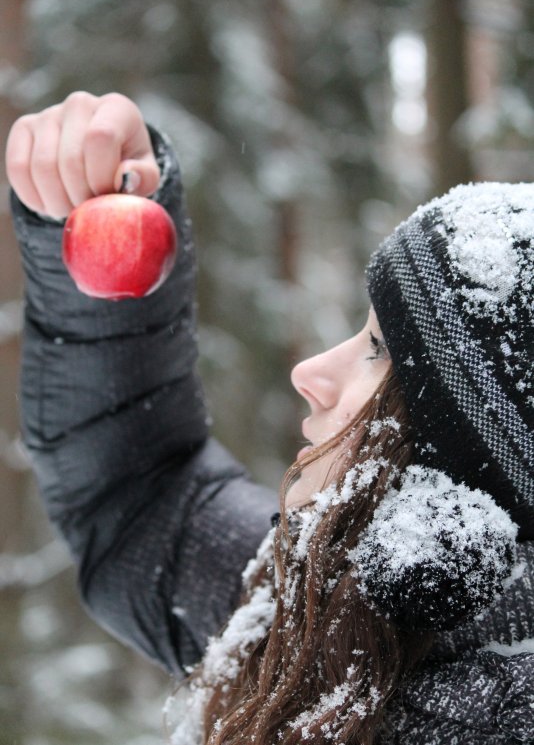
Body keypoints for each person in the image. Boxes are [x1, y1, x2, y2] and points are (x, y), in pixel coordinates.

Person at [5, 92, 534, 745]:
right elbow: (140, 496)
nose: (309, 372)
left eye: (378, 350)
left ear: (462, 463)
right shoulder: (326, 618)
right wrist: (104, 243)